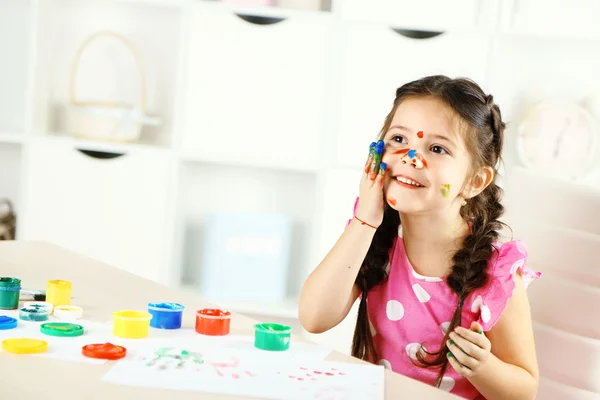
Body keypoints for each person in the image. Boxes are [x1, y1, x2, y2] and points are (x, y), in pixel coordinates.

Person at [299, 75, 541, 399]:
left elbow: (525, 389)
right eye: (399, 139)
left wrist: (483, 367)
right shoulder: (374, 239)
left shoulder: (495, 273)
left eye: (437, 148)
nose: (411, 158)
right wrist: (366, 220)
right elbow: (314, 318)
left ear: (475, 181)